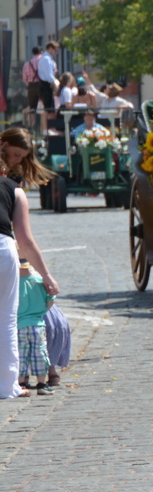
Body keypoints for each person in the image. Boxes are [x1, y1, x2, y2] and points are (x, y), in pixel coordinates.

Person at [0, 154, 61, 400]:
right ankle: (7, 386)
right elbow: (25, 240)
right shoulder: (14, 190)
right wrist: (46, 275)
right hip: (2, 249)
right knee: (6, 320)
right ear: (3, 171)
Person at [15, 261, 53, 394]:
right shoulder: (39, 280)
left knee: (20, 354)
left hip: (18, 325)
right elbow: (50, 300)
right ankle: (41, 383)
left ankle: (21, 383)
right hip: (37, 324)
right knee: (39, 353)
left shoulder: (11, 282)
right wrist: (40, 312)